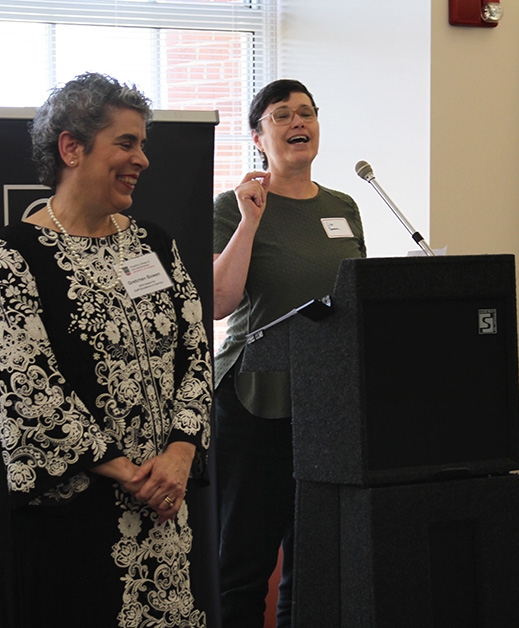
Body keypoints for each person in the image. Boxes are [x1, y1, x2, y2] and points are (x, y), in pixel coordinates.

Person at [0, 73, 211, 628]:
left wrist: (178, 457)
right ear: (71, 148)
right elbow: (27, 392)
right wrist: (134, 475)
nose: (143, 159)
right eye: (126, 143)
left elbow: (196, 353)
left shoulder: (153, 244)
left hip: (168, 512)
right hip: (75, 525)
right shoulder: (15, 255)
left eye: (143, 144)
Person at [212, 79, 366, 628]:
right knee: (244, 560)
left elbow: (356, 301)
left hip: (326, 403)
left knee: (315, 560)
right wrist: (251, 221)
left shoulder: (344, 206)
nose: (298, 123)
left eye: (306, 113)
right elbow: (219, 302)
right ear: (259, 136)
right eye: (281, 116)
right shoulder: (235, 207)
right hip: (254, 397)